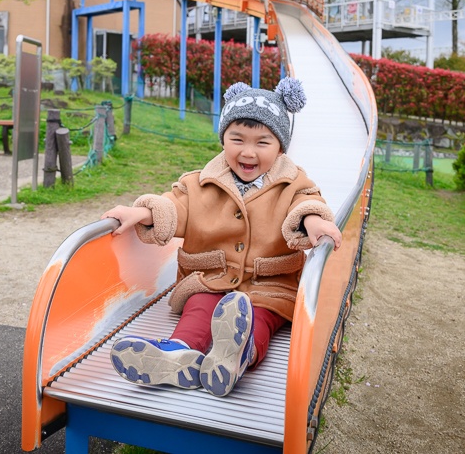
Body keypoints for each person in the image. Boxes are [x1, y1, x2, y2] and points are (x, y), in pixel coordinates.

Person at [101, 77, 342, 397]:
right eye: (237, 139)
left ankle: (237, 356)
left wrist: (312, 221)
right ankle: (178, 353)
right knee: (198, 307)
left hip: (268, 286)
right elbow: (175, 206)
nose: (248, 152)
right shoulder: (201, 183)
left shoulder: (292, 183)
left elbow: (306, 202)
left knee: (259, 319)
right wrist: (143, 213)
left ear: (281, 146)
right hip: (211, 277)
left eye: (262, 142)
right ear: (223, 139)